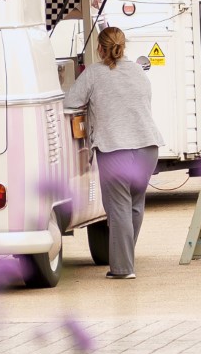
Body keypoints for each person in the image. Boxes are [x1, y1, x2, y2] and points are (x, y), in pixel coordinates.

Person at [64, 25, 158, 280]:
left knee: (117, 208)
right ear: (123, 46)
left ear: (100, 48)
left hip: (116, 149)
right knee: (134, 206)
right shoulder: (139, 72)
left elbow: (70, 102)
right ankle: (125, 258)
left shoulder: (94, 74)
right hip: (148, 147)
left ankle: (123, 268)